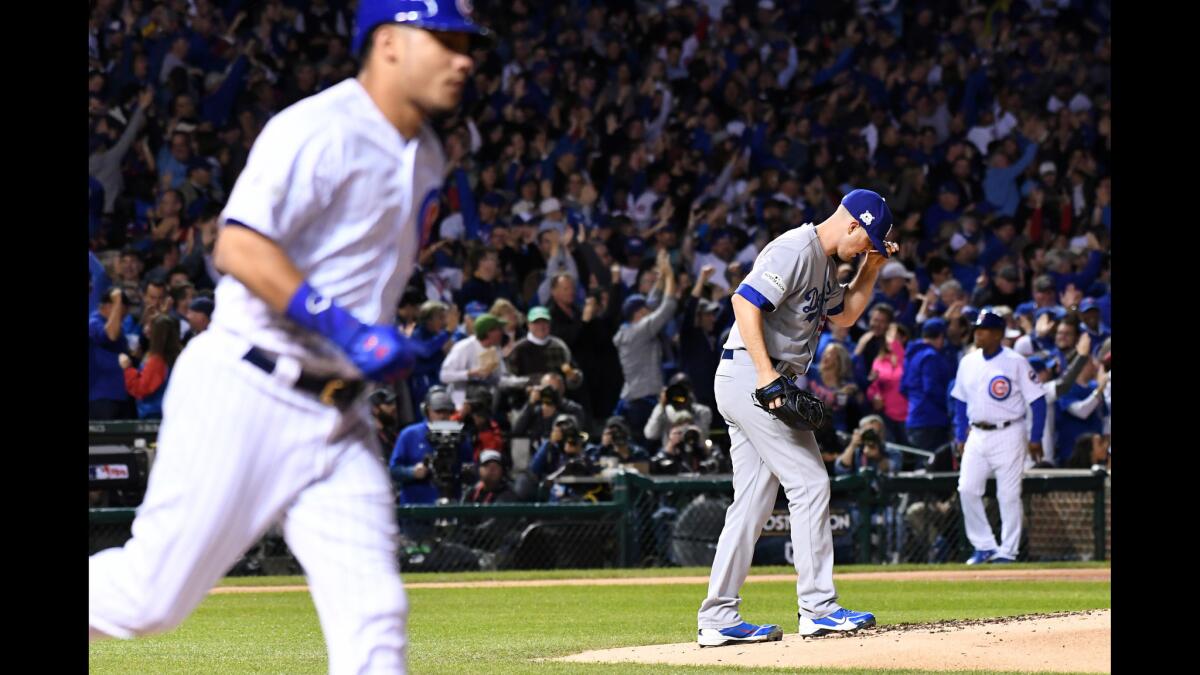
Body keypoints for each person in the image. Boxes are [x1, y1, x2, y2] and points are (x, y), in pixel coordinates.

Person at [88, 6, 487, 674]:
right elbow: (239, 245)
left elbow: (354, 273)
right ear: (387, 44)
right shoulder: (318, 128)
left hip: (336, 417)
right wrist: (345, 328)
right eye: (443, 39)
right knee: (149, 597)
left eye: (466, 42)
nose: (463, 57)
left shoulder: (428, 153)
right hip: (248, 388)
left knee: (375, 617)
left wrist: (379, 337)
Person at [698, 188, 894, 646]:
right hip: (754, 373)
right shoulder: (795, 248)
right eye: (866, 242)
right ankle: (819, 608)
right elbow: (744, 302)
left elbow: (843, 315)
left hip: (758, 376)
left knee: (751, 504)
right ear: (851, 224)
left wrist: (874, 267)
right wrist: (766, 377)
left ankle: (718, 618)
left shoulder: (825, 264)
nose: (865, 250)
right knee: (810, 483)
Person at [951, 310, 1047, 565]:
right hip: (977, 433)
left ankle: (1008, 550)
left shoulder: (1015, 361)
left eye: (983, 330)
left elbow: (1038, 401)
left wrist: (1035, 437)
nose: (977, 333)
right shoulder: (967, 361)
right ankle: (984, 546)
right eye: (977, 329)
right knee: (967, 489)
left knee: (1008, 494)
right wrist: (960, 434)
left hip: (1010, 431)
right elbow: (960, 401)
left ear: (997, 334)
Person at [613, 250, 678, 445]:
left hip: (636, 398)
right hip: (643, 401)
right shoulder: (638, 331)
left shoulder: (630, 328)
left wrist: (661, 277)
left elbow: (653, 300)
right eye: (645, 310)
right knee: (647, 447)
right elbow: (668, 307)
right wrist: (669, 275)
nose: (649, 310)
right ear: (638, 313)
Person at [389, 387, 474, 505]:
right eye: (438, 412)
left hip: (451, 502)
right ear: (427, 411)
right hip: (417, 504)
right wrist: (412, 472)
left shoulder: (459, 435)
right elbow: (394, 470)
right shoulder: (410, 434)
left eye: (447, 412)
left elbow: (470, 468)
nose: (443, 416)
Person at [900, 318, 955, 454]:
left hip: (914, 419)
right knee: (934, 467)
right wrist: (949, 406)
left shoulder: (911, 355)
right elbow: (931, 388)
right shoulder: (930, 356)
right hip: (932, 420)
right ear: (941, 336)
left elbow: (903, 388)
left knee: (922, 465)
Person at [120, 315, 184, 419]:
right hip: (171, 412)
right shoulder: (180, 355)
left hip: (154, 415)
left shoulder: (158, 360)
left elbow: (141, 388)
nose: (146, 329)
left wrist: (127, 368)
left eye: (150, 326)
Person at [644, 373, 714, 450]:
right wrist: (661, 405)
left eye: (684, 390)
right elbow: (650, 435)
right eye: (676, 391)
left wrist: (689, 409)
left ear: (691, 391)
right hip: (670, 454)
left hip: (696, 453)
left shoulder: (702, 411)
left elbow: (702, 437)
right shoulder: (663, 411)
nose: (679, 394)